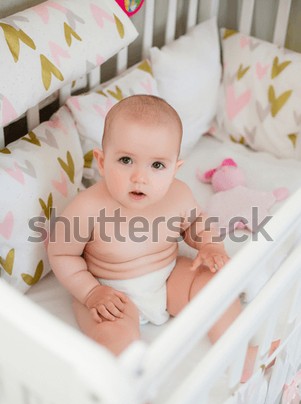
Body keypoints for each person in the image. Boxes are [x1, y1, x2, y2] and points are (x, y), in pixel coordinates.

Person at [48, 94, 241, 362]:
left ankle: (239, 350)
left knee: (215, 284)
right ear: (102, 162)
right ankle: (133, 399)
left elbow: (196, 224)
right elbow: (61, 254)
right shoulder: (87, 208)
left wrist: (209, 244)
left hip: (168, 276)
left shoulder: (179, 195)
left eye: (157, 165)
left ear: (175, 169)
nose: (140, 177)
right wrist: (91, 292)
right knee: (111, 336)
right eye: (126, 160)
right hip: (110, 292)